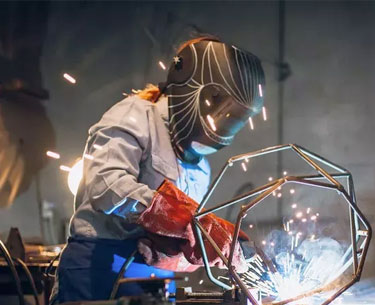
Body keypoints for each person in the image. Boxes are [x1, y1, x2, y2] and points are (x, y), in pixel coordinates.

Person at [51, 36, 265, 303]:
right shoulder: (135, 116)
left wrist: (182, 253)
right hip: (97, 268)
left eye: (233, 115)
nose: (222, 121)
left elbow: (183, 241)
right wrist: (183, 220)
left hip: (154, 280)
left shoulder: (202, 168)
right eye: (220, 106)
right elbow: (105, 186)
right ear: (190, 85)